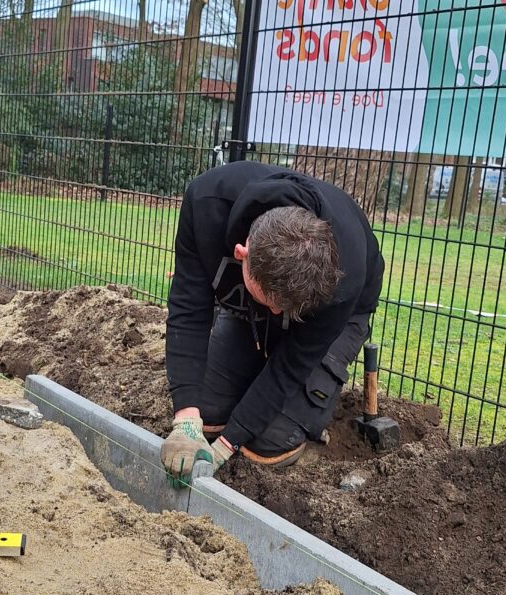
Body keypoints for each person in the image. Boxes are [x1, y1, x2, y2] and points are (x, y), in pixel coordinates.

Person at [161, 160, 385, 484]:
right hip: (252, 308)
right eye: (272, 304)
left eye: (285, 309)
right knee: (205, 414)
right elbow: (189, 311)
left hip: (337, 317)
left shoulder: (342, 276)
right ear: (241, 253)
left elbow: (292, 364)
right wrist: (185, 419)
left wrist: (227, 444)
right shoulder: (206, 204)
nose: (278, 315)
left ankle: (308, 425)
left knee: (267, 445)